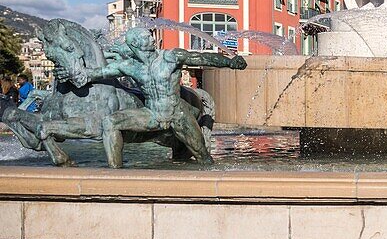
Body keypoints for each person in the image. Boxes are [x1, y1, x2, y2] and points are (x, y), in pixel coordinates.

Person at [55, 27, 246, 168]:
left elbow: (201, 58)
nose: (151, 39)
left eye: (150, 36)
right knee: (110, 122)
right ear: (135, 44)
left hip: (176, 114)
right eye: (146, 37)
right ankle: (116, 173)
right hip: (151, 114)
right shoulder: (128, 66)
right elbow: (94, 73)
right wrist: (69, 73)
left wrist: (229, 62)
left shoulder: (170, 57)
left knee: (203, 157)